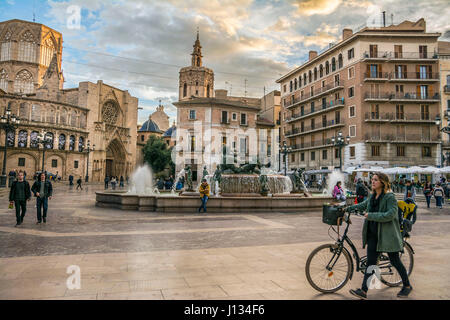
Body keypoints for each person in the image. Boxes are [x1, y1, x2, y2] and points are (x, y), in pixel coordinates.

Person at [347, 172, 412, 299]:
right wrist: (347, 208)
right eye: (372, 180)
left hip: (387, 235)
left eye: (375, 180)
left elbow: (391, 215)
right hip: (373, 234)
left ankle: (407, 286)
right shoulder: (372, 196)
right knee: (371, 263)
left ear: (382, 182)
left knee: (395, 261)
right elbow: (363, 205)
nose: (372, 182)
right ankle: (364, 291)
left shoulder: (390, 197)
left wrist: (371, 215)